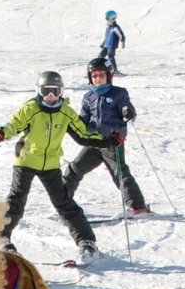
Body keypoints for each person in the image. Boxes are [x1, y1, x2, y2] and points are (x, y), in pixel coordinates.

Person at [0, 71, 109, 264]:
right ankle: (2, 238)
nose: (51, 96)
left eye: (56, 91)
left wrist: (107, 141)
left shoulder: (65, 112)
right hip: (27, 161)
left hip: (51, 164)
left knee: (64, 203)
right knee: (16, 201)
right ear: (40, 91)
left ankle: (87, 241)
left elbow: (83, 134)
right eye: (47, 91)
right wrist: (2, 133)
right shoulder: (31, 108)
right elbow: (15, 124)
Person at [63, 58, 149, 217]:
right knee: (74, 169)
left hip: (112, 142)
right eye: (94, 76)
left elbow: (127, 107)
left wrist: (127, 112)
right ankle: (63, 203)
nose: (98, 79)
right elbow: (83, 119)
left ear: (108, 76)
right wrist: (72, 124)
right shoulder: (88, 97)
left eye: (101, 75)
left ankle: (138, 206)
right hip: (94, 142)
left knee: (120, 174)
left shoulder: (118, 93)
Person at [98, 10, 125, 74]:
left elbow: (121, 35)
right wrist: (103, 43)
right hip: (106, 45)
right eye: (106, 18)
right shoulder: (108, 27)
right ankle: (103, 69)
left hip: (112, 45)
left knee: (110, 58)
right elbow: (107, 37)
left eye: (107, 18)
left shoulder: (115, 27)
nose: (106, 20)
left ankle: (115, 71)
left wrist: (123, 42)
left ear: (112, 18)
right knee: (100, 57)